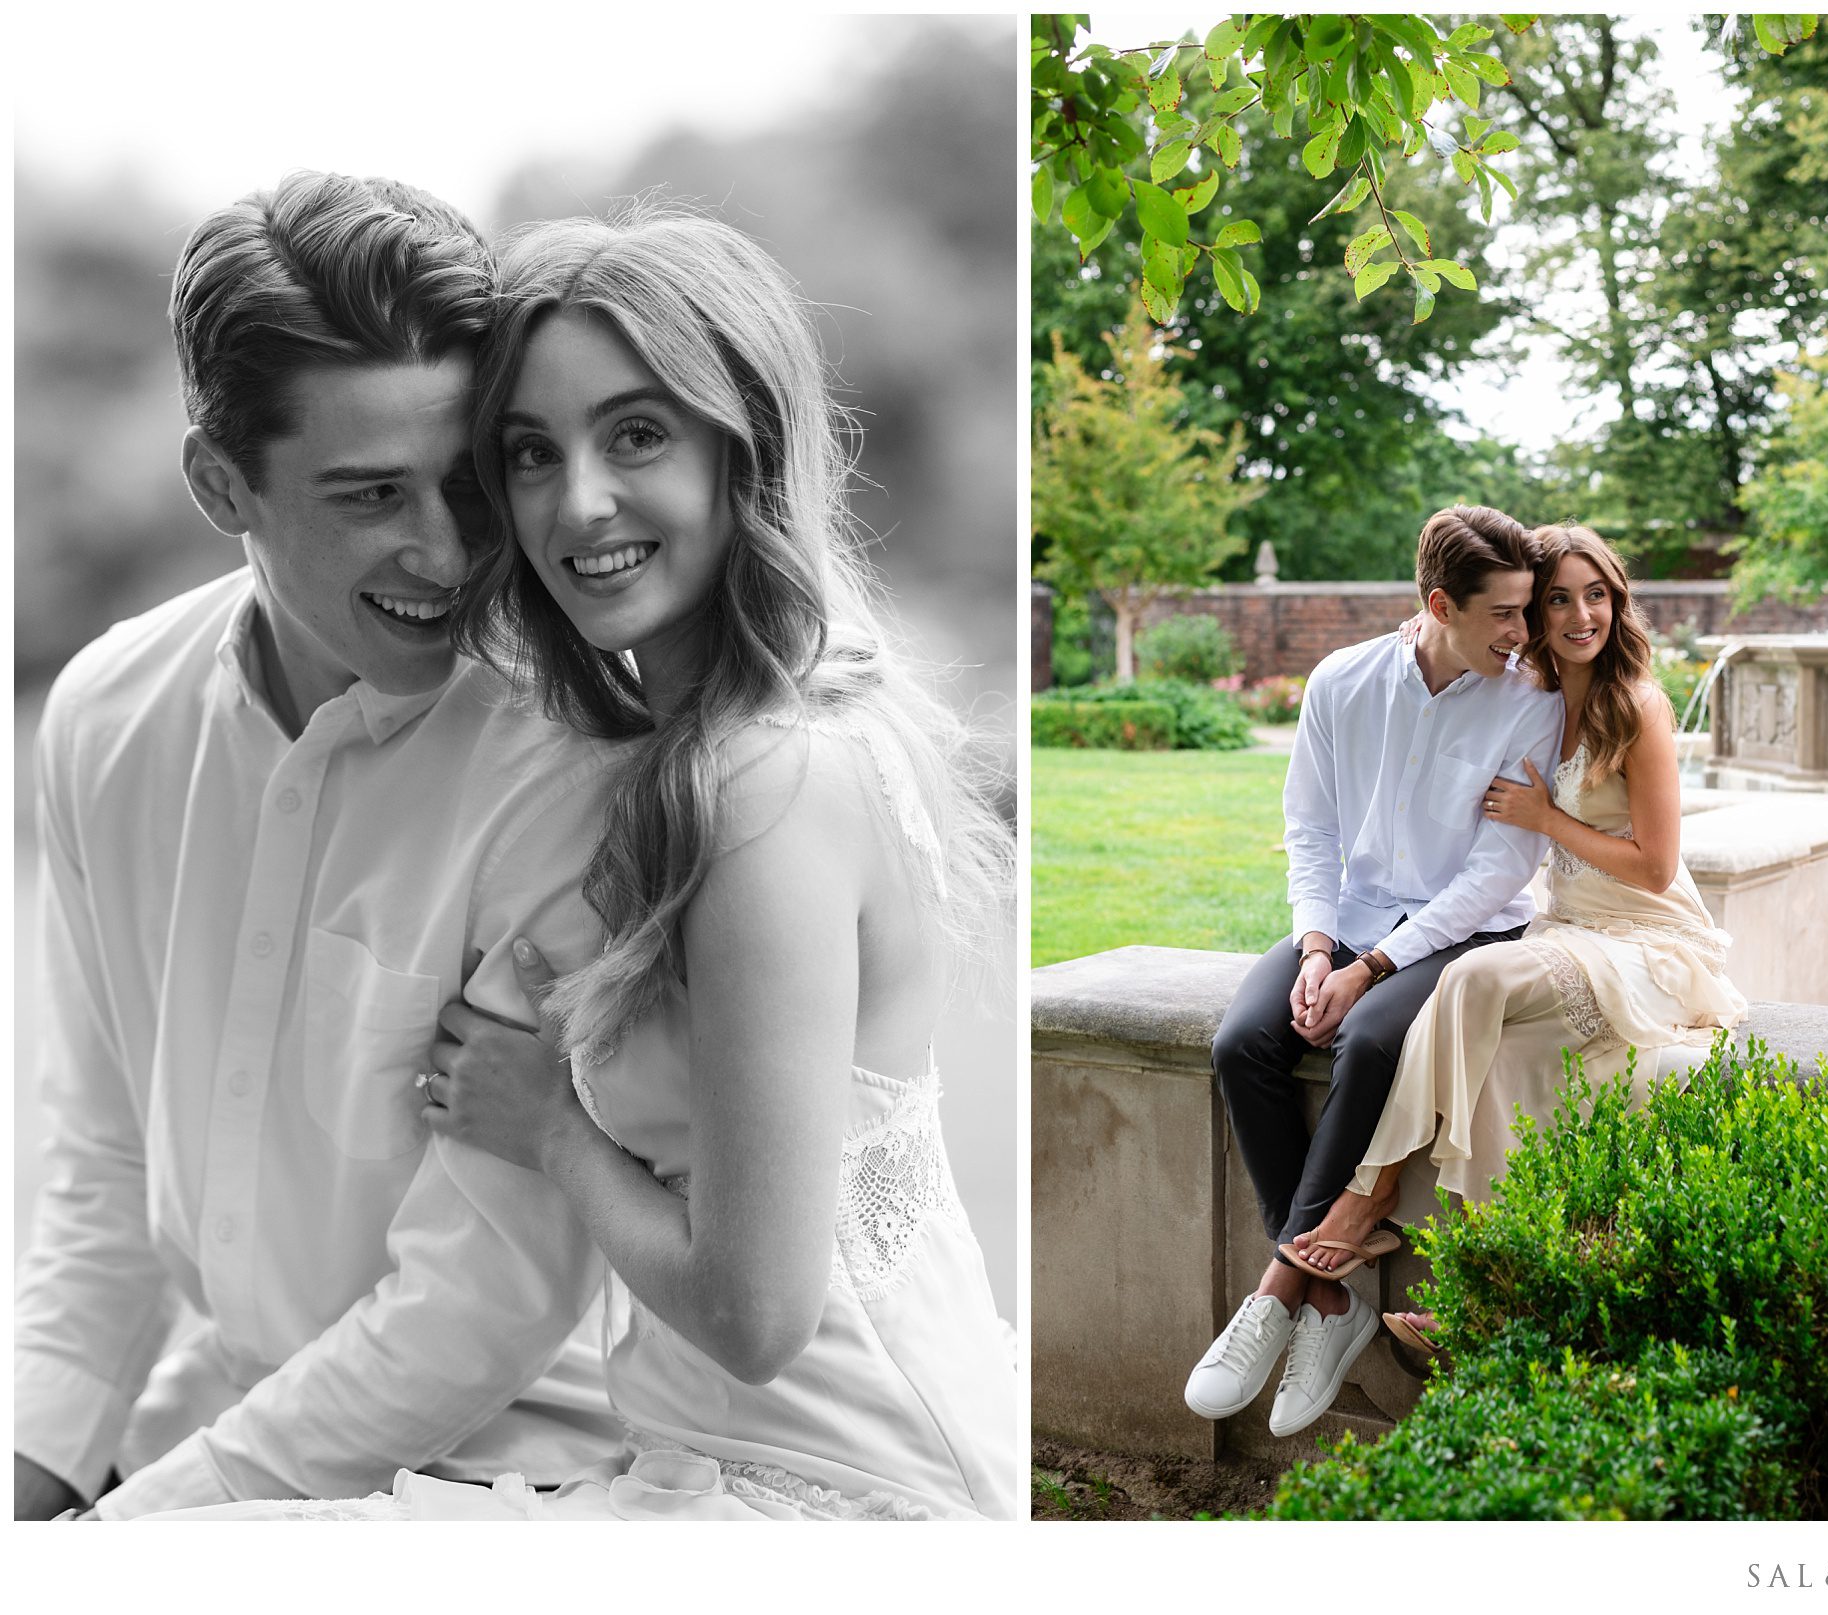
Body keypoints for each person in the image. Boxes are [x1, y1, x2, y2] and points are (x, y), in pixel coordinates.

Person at [154, 209, 1019, 1521]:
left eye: (636, 434)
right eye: (528, 453)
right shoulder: (753, 733)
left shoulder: (758, 788)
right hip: (746, 1447)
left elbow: (759, 1311)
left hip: (827, 1490)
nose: (579, 501)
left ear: (746, 445)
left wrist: (552, 1128)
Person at [13, 173, 627, 1519]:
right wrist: (40, 1470)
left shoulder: (572, 763)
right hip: (212, 1429)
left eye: (468, 481)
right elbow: (104, 1166)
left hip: (513, 1477)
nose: (449, 549)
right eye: (370, 495)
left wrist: (126, 1534)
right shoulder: (106, 719)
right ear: (219, 481)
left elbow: (486, 1295)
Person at [1287, 524, 1748, 1356]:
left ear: (1618, 600)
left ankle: (1371, 1190)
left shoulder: (1636, 703)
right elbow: (1436, 647)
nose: (1581, 615)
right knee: (1499, 1062)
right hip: (1571, 929)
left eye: (1596, 594)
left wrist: (1546, 817)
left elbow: (1656, 866)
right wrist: (1414, 637)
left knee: (1471, 984)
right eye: (1557, 599)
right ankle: (1487, 1289)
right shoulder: (1531, 690)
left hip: (1649, 938)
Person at [1184, 507, 1564, 1441]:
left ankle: (1283, 1285)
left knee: (1370, 1037)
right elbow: (1310, 826)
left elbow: (1499, 871)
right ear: (1439, 604)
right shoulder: (1343, 680)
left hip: (1467, 932)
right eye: (1505, 615)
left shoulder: (1532, 699)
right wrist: (1319, 948)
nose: (1525, 634)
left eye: (1526, 612)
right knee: (1242, 1043)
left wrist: (1374, 969)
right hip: (1350, 917)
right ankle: (1331, 1301)